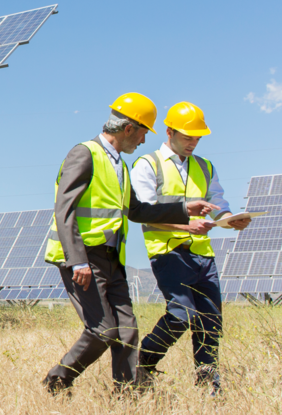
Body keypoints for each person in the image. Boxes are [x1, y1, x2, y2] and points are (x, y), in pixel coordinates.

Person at [42, 93, 219, 395]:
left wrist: (184, 209)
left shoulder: (120, 166)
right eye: (142, 133)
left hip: (112, 259)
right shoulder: (84, 154)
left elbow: (137, 211)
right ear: (128, 129)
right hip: (84, 257)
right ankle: (56, 382)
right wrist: (78, 261)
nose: (142, 141)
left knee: (126, 332)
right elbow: (65, 209)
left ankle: (126, 397)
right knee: (103, 331)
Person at [131, 101, 249, 394]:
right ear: (169, 132)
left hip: (203, 254)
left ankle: (209, 383)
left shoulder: (205, 166)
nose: (193, 143)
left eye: (197, 138)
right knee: (182, 313)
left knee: (211, 319)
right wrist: (185, 226)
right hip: (168, 251)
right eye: (188, 137)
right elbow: (145, 213)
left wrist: (228, 219)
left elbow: (218, 201)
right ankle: (143, 364)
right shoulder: (148, 165)